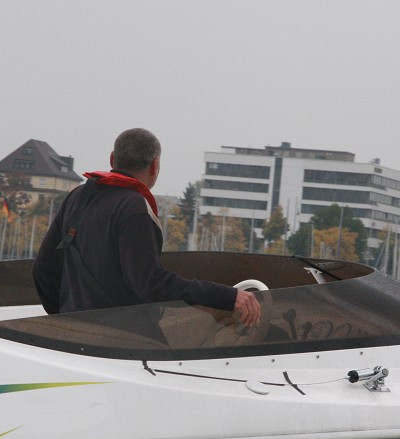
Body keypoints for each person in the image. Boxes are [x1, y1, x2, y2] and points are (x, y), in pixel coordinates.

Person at [33, 127, 261, 326]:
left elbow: (43, 269)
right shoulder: (133, 207)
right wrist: (228, 297)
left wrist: (65, 317)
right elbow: (150, 284)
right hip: (123, 340)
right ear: (155, 165)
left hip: (74, 333)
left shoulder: (79, 196)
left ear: (113, 159)